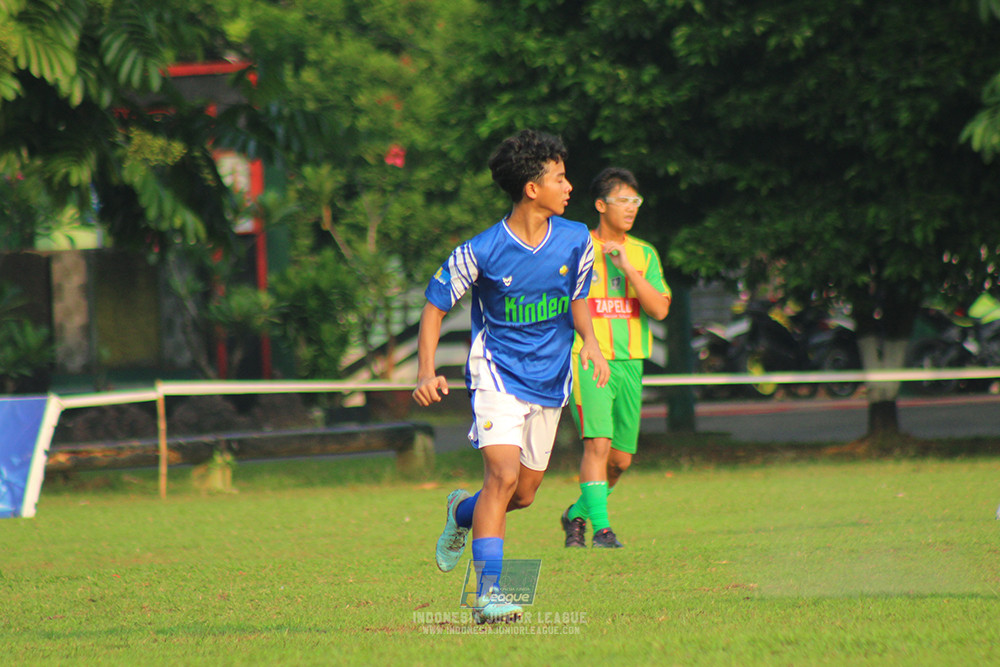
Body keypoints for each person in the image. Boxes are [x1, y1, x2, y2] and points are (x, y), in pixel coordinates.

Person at [412, 129, 610, 624]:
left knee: (522, 494)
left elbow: (578, 298)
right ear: (531, 188)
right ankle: (489, 596)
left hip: (550, 379)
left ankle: (461, 512)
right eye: (559, 178)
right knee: (501, 476)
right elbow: (435, 307)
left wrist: (590, 341)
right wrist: (425, 371)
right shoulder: (481, 251)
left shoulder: (577, 240)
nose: (569, 186)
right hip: (496, 373)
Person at [560, 167, 670, 549]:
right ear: (600, 205)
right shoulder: (577, 248)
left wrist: (627, 268)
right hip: (587, 359)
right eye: (622, 200)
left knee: (620, 461)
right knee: (598, 444)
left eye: (635, 200)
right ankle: (603, 531)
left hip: (630, 363)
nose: (631, 207)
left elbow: (659, 309)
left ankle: (577, 514)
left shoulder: (643, 253)